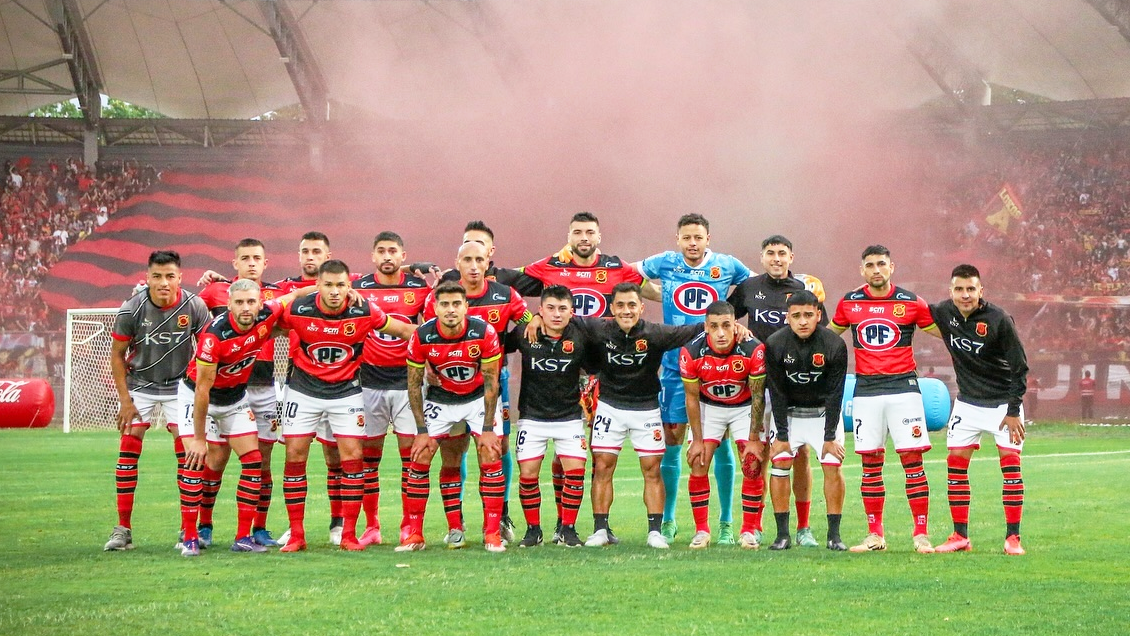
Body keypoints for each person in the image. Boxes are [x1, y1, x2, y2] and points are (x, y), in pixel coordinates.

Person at [517, 211, 645, 543]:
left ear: (599, 236)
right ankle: (558, 526)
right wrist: (532, 318)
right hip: (563, 376)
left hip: (600, 370)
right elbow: (509, 281)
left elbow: (652, 288)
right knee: (563, 457)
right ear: (569, 236)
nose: (584, 237)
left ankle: (593, 525)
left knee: (594, 456)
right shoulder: (551, 266)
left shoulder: (616, 267)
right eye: (577, 232)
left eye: (589, 232)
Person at [275, 260, 415, 552]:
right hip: (303, 391)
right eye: (328, 285)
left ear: (349, 286)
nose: (335, 291)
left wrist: (443, 336)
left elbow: (403, 330)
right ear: (318, 285)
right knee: (294, 456)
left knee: (353, 458)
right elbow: (267, 323)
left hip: (346, 392)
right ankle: (297, 535)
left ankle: (349, 535)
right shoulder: (299, 309)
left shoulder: (364, 310)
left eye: (340, 285)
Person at [630, 214, 751, 546]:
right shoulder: (665, 262)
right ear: (678, 239)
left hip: (717, 363)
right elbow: (629, 276)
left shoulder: (726, 265)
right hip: (674, 365)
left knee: (719, 442)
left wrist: (732, 317)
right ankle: (668, 520)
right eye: (687, 238)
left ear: (708, 239)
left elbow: (755, 287)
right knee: (672, 441)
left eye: (698, 237)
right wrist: (661, 294)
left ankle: (725, 523)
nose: (693, 243)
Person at [178, 279, 308, 555]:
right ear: (229, 304)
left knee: (253, 461)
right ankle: (189, 537)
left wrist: (337, 290)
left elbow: (297, 293)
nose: (246, 308)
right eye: (239, 302)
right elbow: (202, 390)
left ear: (261, 303)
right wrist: (199, 439)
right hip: (198, 397)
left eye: (251, 302)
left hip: (235, 399)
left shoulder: (268, 313)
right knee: (195, 461)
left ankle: (242, 537)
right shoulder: (214, 336)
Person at [572, 282, 702, 548]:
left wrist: (729, 325)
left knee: (652, 469)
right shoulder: (599, 329)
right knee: (603, 466)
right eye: (620, 305)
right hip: (610, 407)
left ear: (642, 307)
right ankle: (600, 530)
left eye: (632, 305)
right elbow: (566, 317)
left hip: (646, 408)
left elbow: (693, 330)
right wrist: (535, 318)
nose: (626, 310)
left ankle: (655, 532)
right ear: (612, 308)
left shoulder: (655, 333)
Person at [830, 244, 940, 553]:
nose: (876, 269)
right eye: (870, 265)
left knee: (913, 462)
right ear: (862, 270)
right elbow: (826, 336)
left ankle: (921, 535)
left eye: (881, 264)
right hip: (866, 391)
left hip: (904, 390)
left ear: (891, 267)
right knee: (870, 464)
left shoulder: (911, 302)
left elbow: (945, 332)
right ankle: (875, 535)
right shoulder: (849, 303)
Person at [424, 241, 531, 545]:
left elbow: (529, 322)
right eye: (467, 260)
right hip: (447, 387)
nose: (473, 266)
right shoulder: (441, 296)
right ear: (457, 263)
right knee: (452, 451)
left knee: (497, 447)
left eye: (479, 260)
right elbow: (424, 330)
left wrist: (517, 338)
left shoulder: (505, 295)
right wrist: (428, 362)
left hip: (491, 381)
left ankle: (497, 520)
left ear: (488, 263)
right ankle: (455, 524)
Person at [103, 250, 211, 551]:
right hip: (140, 385)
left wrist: (200, 390)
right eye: (157, 276)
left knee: (189, 453)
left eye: (170, 276)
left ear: (180, 277)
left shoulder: (194, 306)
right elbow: (117, 355)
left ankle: (188, 530)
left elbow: (208, 349)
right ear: (148, 277)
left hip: (181, 387)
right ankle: (123, 529)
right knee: (128, 448)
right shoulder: (131, 309)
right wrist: (125, 400)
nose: (164, 282)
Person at [727, 235, 827, 547]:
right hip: (759, 383)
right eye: (770, 253)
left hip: (795, 383)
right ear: (762, 257)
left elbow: (820, 332)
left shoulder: (804, 291)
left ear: (791, 258)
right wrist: (737, 326)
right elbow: (725, 318)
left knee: (800, 454)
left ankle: (804, 527)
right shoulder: (748, 288)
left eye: (782, 253)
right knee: (757, 453)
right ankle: (754, 526)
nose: (776, 258)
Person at [398, 281, 506, 552]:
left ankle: (492, 533)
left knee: (490, 452)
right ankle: (423, 533)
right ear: (435, 308)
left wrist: (487, 428)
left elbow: (491, 382)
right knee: (421, 456)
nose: (450, 310)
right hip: (442, 399)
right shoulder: (422, 336)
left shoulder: (483, 332)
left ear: (466, 307)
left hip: (477, 398)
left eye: (456, 304)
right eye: (444, 304)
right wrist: (421, 431)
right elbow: (413, 385)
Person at [929, 264, 1029, 556]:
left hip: (1003, 406)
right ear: (950, 291)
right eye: (959, 289)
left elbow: (1020, 367)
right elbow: (911, 309)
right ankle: (960, 536)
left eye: (971, 289)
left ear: (980, 291)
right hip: (967, 404)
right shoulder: (943, 312)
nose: (965, 295)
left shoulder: (999, 319)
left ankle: (1013, 538)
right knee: (955, 466)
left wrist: (1013, 411)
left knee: (1010, 467)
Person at [194, 238, 285, 548]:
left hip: (265, 387)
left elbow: (311, 289)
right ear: (234, 263)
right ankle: (204, 525)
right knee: (216, 458)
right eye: (245, 258)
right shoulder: (216, 291)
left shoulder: (277, 293)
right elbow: (187, 315)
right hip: (227, 390)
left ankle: (258, 528)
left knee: (262, 461)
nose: (251, 263)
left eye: (256, 257)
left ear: (265, 262)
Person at [351, 231, 429, 547]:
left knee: (411, 458)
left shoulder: (419, 288)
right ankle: (372, 526)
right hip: (369, 382)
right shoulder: (358, 288)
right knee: (369, 459)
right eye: (381, 251)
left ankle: (408, 525)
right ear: (373, 256)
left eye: (392, 251)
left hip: (407, 383)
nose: (387, 256)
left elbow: (431, 326)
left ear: (402, 256)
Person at [503, 286, 594, 548]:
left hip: (569, 418)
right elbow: (496, 347)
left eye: (562, 309)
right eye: (551, 308)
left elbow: (597, 365)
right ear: (540, 310)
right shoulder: (525, 332)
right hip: (532, 417)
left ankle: (568, 529)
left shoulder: (582, 335)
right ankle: (533, 531)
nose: (556, 314)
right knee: (528, 475)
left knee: (575, 474)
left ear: (571, 312)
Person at [760, 291, 849, 551]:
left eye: (808, 315)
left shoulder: (834, 344)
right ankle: (782, 535)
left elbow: (835, 393)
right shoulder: (775, 343)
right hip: (789, 414)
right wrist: (782, 436)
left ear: (818, 315)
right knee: (780, 463)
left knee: (832, 465)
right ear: (787, 317)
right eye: (796, 315)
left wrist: (830, 437)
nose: (802, 321)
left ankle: (834, 536)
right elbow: (776, 392)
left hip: (822, 414)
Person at [679, 301, 765, 549]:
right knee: (698, 460)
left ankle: (748, 531)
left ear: (735, 325)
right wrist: (697, 440)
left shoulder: (752, 349)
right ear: (706, 327)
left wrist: (753, 439)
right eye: (714, 326)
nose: (720, 333)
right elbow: (691, 398)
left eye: (726, 325)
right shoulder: (691, 352)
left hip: (743, 407)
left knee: (752, 463)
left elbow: (758, 395)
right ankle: (701, 531)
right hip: (709, 407)